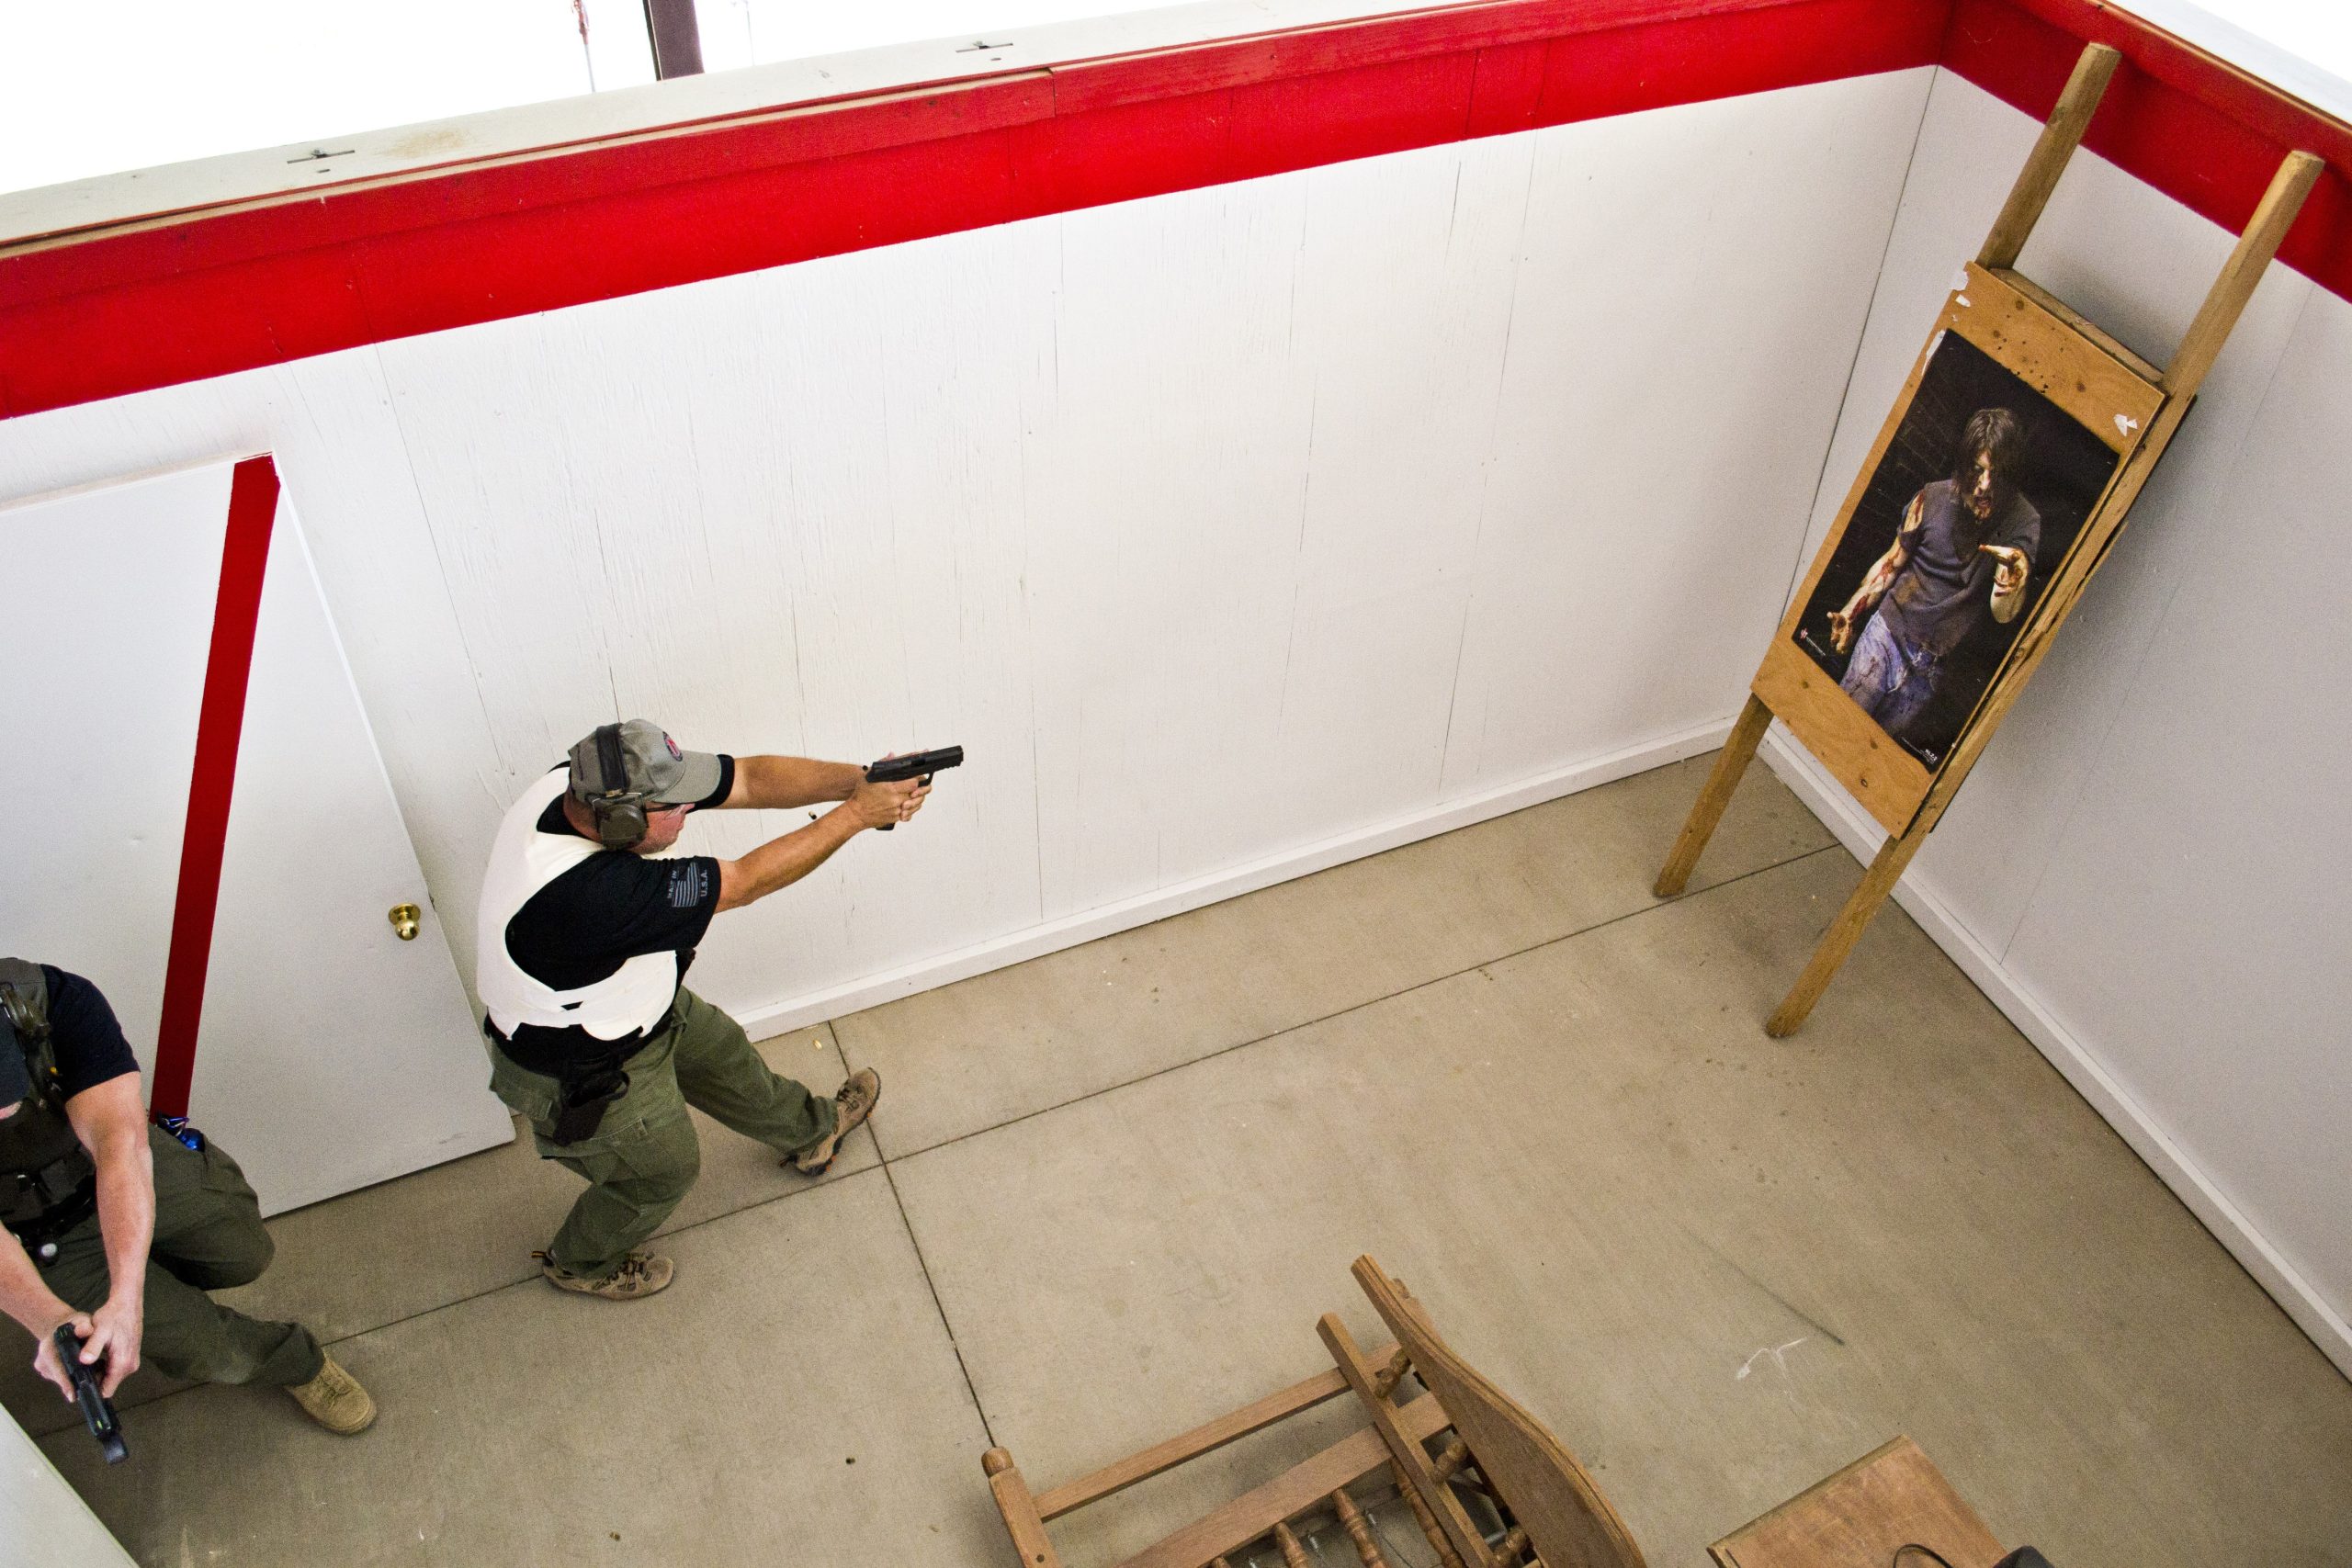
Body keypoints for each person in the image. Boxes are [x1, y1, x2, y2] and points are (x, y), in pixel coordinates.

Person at [476, 720, 930, 1301]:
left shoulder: (576, 783)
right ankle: (577, 1261)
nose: (692, 804)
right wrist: (860, 815)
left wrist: (864, 781)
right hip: (582, 1069)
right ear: (624, 821)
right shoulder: (588, 895)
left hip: (640, 1002)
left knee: (729, 1059)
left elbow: (747, 777)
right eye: (676, 806)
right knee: (661, 1173)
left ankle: (814, 1134)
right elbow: (743, 883)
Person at [0, 960, 373, 1433]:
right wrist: (51, 1320)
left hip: (107, 1168)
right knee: (213, 1352)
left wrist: (128, 1296)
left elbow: (122, 1151)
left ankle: (152, 1279)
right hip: (41, 1237)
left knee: (244, 1252)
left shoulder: (54, 1000)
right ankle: (297, 1365)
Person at [1830, 406, 2041, 742]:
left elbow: (2003, 615)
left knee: (1868, 748)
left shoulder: (2023, 521)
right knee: (1837, 730)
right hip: (1885, 637)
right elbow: (1892, 562)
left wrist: (2011, 584)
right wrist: (1850, 612)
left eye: (1996, 475)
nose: (1985, 485)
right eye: (1977, 470)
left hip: (1930, 668)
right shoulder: (1933, 497)